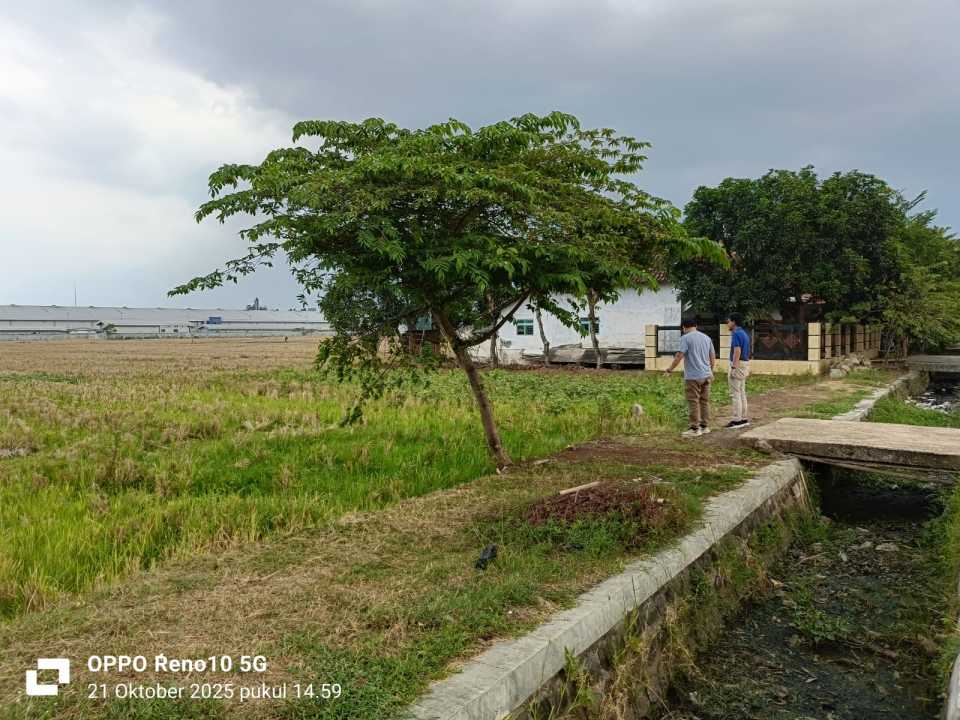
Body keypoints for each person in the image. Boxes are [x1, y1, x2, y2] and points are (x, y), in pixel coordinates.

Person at [665, 318, 716, 437]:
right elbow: (712, 356)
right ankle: (704, 426)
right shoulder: (706, 338)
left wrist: (670, 369)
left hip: (693, 376)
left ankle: (694, 428)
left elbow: (679, 355)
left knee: (693, 401)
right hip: (707, 375)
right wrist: (710, 371)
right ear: (696, 326)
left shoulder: (685, 338)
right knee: (704, 401)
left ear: (683, 327)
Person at [725, 313, 751, 428]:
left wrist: (734, 367)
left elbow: (737, 351)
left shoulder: (736, 334)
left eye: (729, 321)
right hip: (744, 363)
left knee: (735, 393)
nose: (727, 323)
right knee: (741, 392)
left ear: (734, 322)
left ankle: (737, 420)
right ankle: (744, 418)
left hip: (737, 364)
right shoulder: (744, 333)